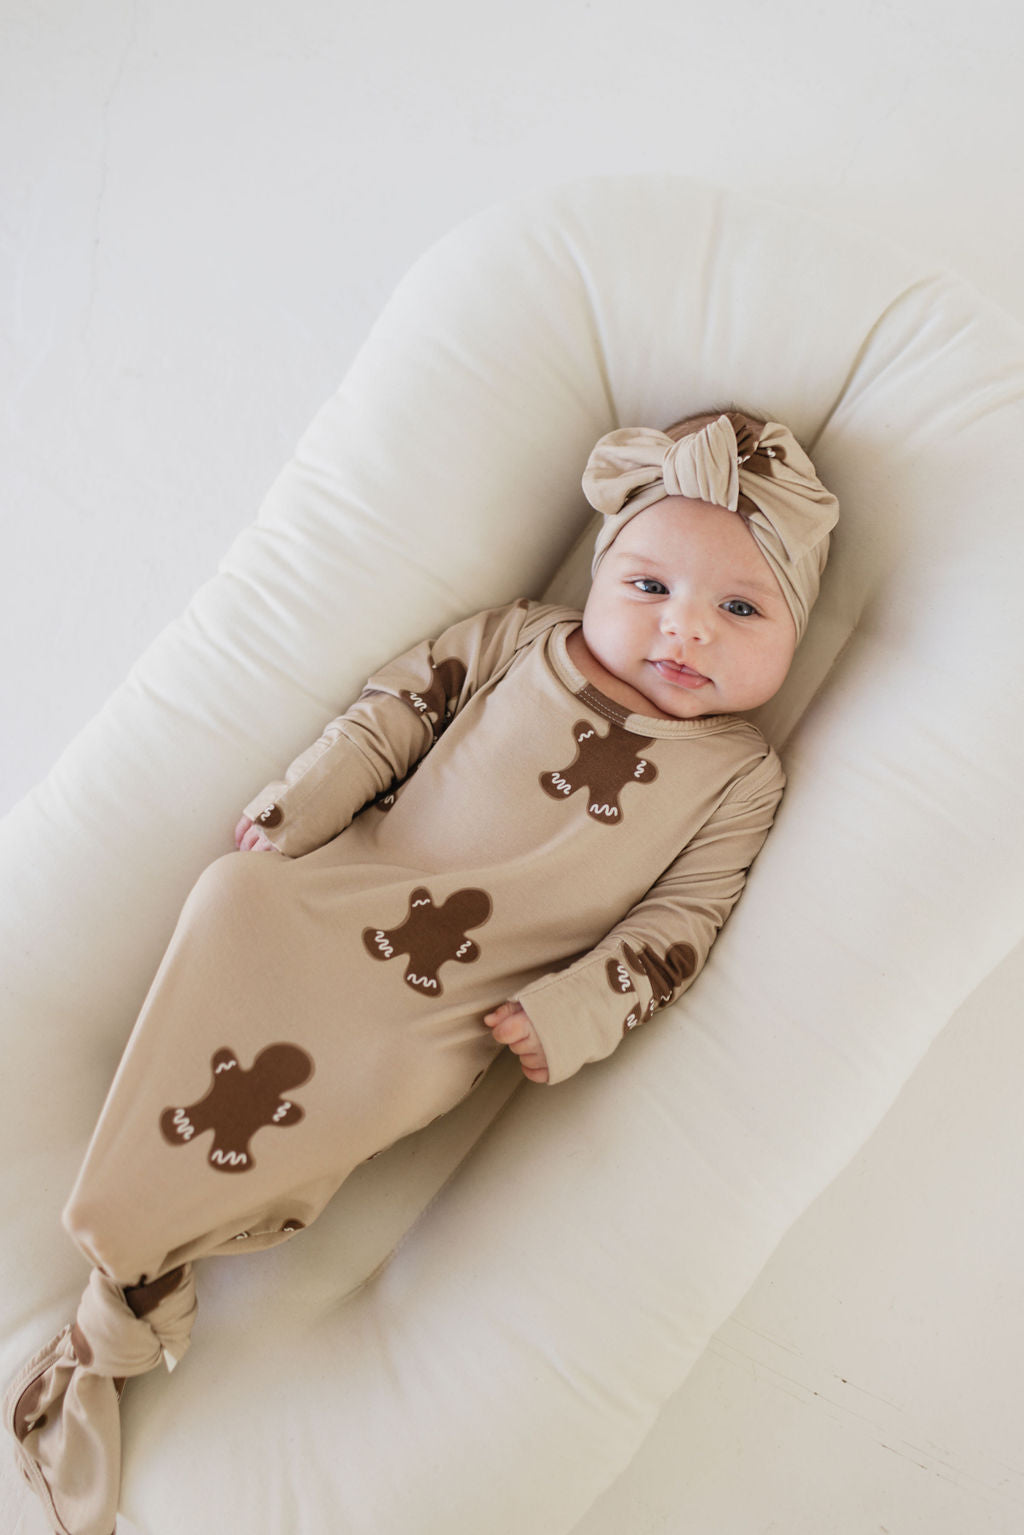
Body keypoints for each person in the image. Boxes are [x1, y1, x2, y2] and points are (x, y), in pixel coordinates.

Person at [4, 409, 838, 1535]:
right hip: (353, 884)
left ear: (794, 632)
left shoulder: (736, 776)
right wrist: (303, 803)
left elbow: (682, 923)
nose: (683, 627)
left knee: (381, 1070)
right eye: (648, 584)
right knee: (231, 897)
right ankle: (137, 1213)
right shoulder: (511, 641)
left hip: (460, 993)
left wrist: (578, 1008)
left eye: (740, 608)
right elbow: (392, 711)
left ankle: (140, 1270)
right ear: (599, 571)